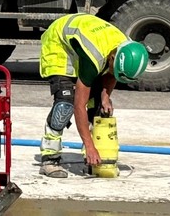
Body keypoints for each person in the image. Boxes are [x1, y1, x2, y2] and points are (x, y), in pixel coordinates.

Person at [37, 13, 149, 178]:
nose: (113, 73)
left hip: (85, 40)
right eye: (113, 68)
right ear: (112, 58)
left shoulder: (124, 48)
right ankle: (50, 159)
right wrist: (89, 145)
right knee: (65, 104)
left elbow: (112, 74)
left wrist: (105, 96)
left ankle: (90, 159)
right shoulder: (94, 57)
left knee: (97, 103)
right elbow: (79, 106)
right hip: (58, 42)